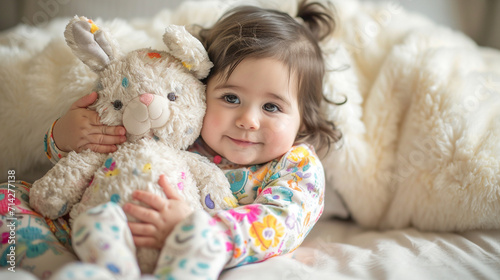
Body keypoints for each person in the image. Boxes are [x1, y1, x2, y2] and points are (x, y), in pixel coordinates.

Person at [3, 1, 343, 279]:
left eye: (272, 106)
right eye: (231, 98)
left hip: (187, 253)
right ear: (200, 90)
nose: (248, 121)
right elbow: (91, 158)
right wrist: (63, 137)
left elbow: (283, 222)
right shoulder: (181, 133)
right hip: (97, 226)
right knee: (9, 199)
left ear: (303, 120)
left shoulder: (295, 165)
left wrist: (196, 227)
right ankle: (66, 270)